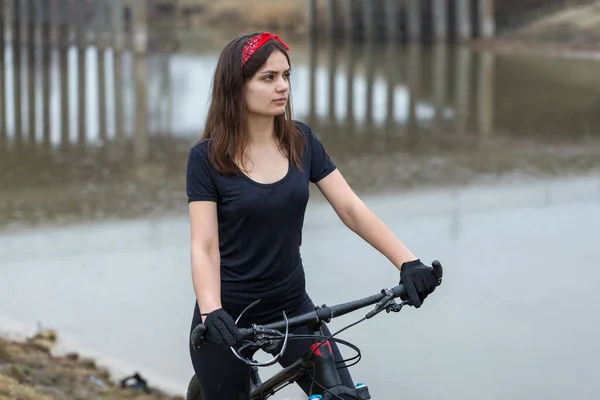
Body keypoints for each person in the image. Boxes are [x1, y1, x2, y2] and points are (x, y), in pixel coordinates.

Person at [186, 31, 439, 400]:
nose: (282, 87)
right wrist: (211, 312)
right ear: (236, 87)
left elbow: (351, 209)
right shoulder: (206, 159)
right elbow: (205, 246)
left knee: (342, 395)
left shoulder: (301, 142)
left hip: (292, 306)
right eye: (268, 78)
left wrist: (408, 261)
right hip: (228, 315)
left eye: (286, 76)